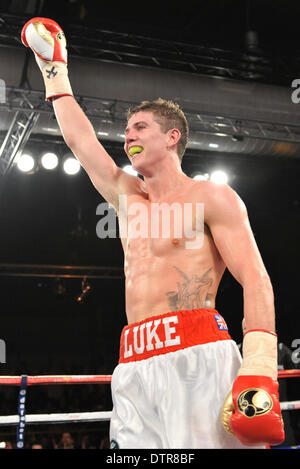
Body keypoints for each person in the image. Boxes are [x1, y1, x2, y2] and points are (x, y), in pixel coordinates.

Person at [21, 17, 285, 449]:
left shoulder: (212, 198)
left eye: (140, 128)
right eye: (126, 132)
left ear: (172, 137)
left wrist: (259, 365)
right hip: (134, 358)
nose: (128, 138)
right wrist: (55, 70)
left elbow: (256, 278)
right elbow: (82, 144)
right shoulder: (128, 197)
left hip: (197, 352)